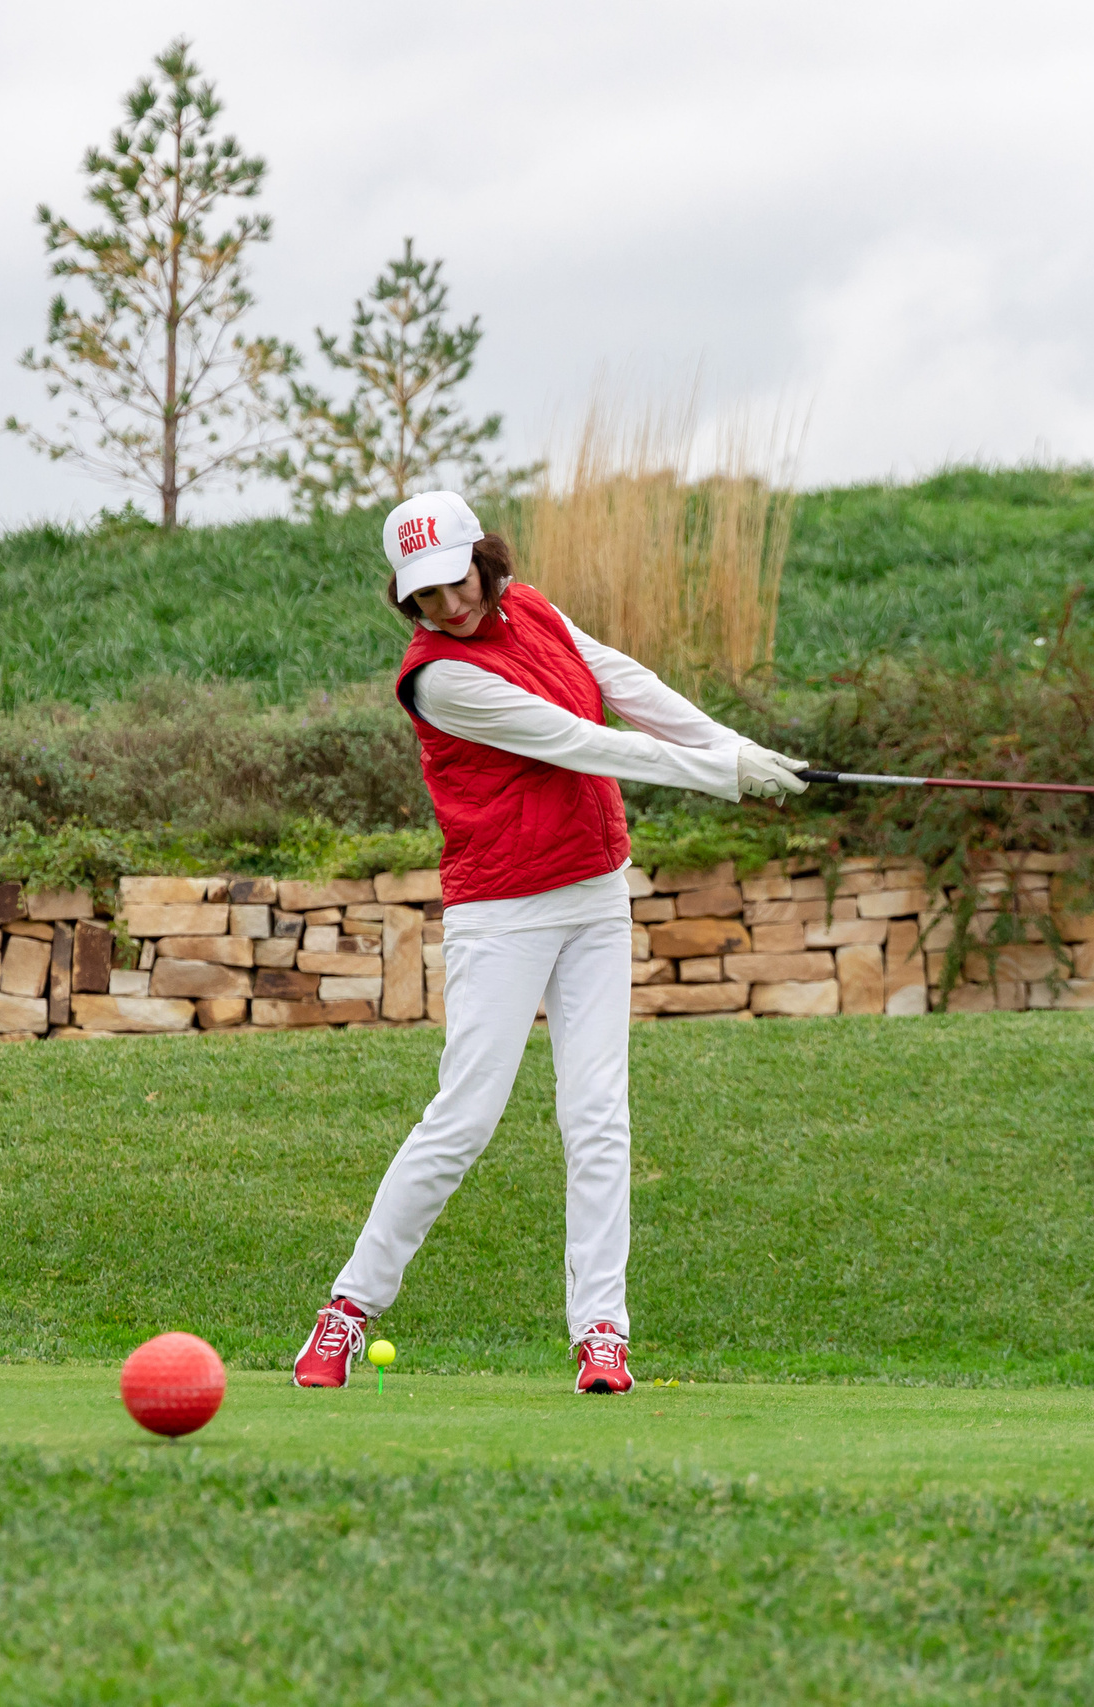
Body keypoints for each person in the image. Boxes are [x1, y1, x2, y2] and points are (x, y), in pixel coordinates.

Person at [292, 490, 808, 1395]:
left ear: (483, 557)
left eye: (456, 580)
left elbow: (625, 683)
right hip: (505, 909)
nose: (448, 605)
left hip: (595, 890)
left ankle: (602, 1333)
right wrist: (722, 774)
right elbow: (581, 743)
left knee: (599, 1115)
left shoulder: (530, 605)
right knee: (465, 1116)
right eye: (424, 595)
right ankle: (349, 1307)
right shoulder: (438, 679)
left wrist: (738, 746)